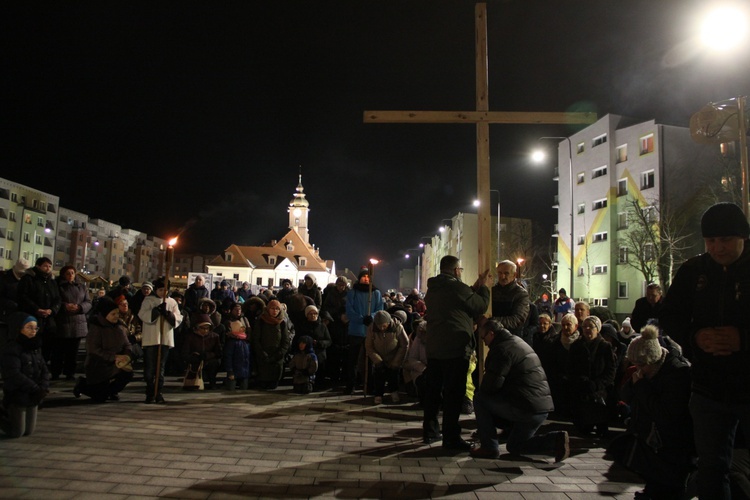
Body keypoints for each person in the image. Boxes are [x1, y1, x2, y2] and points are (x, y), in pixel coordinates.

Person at [660, 202, 750, 499]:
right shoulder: (693, 271)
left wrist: (742, 339)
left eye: (725, 240)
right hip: (708, 388)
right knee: (711, 467)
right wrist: (695, 337)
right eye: (711, 241)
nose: (717, 248)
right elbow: (670, 316)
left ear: (742, 238)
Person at [607, 325, 694, 499]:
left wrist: (640, 386)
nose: (637, 368)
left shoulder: (676, 373)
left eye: (640, 364)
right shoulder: (646, 373)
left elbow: (665, 413)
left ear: (651, 359)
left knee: (669, 488)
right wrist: (635, 384)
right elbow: (625, 396)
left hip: (670, 447)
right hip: (650, 442)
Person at [470, 318, 570, 462]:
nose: (483, 342)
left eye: (483, 337)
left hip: (525, 406)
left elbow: (490, 386)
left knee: (480, 399)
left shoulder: (502, 349)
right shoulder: (517, 341)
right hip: (540, 407)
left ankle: (489, 447)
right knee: (515, 446)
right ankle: (555, 441)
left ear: (491, 334)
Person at [422, 255, 490, 450]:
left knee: (433, 393)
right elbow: (479, 305)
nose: (461, 272)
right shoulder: (456, 287)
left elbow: (463, 297)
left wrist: (474, 286)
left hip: (435, 348)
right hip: (455, 348)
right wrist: (484, 286)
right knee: (453, 395)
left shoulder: (434, 288)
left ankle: (430, 432)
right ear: (455, 270)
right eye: (460, 269)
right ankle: (451, 438)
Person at [73, 297, 133, 402]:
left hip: (115, 363)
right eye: (113, 314)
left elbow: (127, 344)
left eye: (117, 313)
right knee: (99, 397)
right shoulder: (96, 328)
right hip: (98, 365)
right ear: (105, 315)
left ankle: (111, 391)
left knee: (127, 374)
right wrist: (113, 357)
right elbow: (93, 349)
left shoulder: (119, 327)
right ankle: (82, 385)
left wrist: (126, 356)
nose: (116, 317)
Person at [0, 313, 49, 438]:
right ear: (20, 328)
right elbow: (13, 373)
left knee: (28, 431)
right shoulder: (12, 348)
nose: (33, 331)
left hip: (33, 393)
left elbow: (44, 368)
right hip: (18, 393)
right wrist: (35, 388)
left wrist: (43, 386)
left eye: (35, 328)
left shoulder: (36, 346)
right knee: (17, 432)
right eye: (29, 327)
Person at [568, 315, 616, 436]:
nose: (587, 329)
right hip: (581, 391)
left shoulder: (605, 346)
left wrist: (597, 384)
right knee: (583, 430)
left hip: (599, 391)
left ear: (597, 329)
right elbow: (570, 367)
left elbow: (610, 370)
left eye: (591, 326)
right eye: (585, 326)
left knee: (601, 427)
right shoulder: (576, 346)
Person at [138, 278, 183, 404]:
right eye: (161, 290)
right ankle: (150, 391)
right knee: (150, 367)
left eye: (165, 290)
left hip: (165, 338)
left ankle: (159, 392)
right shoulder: (148, 300)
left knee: (161, 367)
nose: (163, 292)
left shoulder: (172, 302)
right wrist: (156, 311)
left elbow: (178, 318)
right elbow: (142, 314)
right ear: (156, 289)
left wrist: (169, 315)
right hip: (151, 338)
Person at [343, 268, 383, 395]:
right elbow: (349, 310)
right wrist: (361, 319)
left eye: (368, 276)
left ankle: (369, 385)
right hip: (356, 330)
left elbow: (380, 310)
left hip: (370, 331)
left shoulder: (376, 293)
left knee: (370, 361)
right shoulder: (353, 292)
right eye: (363, 276)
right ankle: (351, 384)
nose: (366, 278)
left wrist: (371, 317)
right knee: (352, 360)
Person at [17, 257, 61, 363]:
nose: (48, 269)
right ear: (38, 266)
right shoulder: (29, 279)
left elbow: (57, 298)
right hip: (33, 318)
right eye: (45, 266)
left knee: (47, 346)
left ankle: (43, 369)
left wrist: (52, 310)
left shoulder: (52, 281)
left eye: (50, 266)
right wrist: (37, 309)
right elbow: (23, 297)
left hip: (49, 321)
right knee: (32, 346)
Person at [53, 265, 91, 380]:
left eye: (72, 273)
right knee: (59, 350)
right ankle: (56, 372)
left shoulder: (81, 287)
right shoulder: (58, 286)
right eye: (68, 273)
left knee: (73, 351)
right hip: (63, 322)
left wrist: (80, 307)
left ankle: (70, 372)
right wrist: (65, 306)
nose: (70, 275)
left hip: (77, 323)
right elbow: (55, 300)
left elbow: (88, 302)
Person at [365, 310, 409, 405]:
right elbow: (369, 346)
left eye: (384, 326)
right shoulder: (372, 328)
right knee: (378, 375)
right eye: (379, 326)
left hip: (394, 356)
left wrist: (396, 361)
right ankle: (378, 394)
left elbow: (404, 344)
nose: (381, 328)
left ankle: (394, 392)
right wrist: (377, 359)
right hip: (379, 357)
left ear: (389, 323)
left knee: (393, 375)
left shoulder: (398, 327)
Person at [253, 299, 291, 390]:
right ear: (268, 309)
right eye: (272, 308)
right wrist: (262, 353)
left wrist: (279, 354)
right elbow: (256, 339)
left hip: (277, 356)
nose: (275, 311)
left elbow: (285, 341)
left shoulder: (282, 323)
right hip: (263, 355)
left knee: (273, 383)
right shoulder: (261, 321)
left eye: (277, 309)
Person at [490, 260, 530, 343]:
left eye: (506, 273)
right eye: (500, 273)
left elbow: (517, 319)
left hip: (511, 340)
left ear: (514, 275)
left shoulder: (521, 294)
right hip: (492, 338)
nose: (502, 276)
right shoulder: (492, 291)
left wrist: (491, 321)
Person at [181, 312, 222, 390]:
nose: (205, 330)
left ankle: (212, 382)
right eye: (202, 328)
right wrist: (193, 357)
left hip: (208, 360)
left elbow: (218, 352)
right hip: (195, 360)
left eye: (207, 328)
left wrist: (208, 355)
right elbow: (184, 353)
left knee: (214, 363)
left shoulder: (214, 337)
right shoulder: (190, 337)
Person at [293, 305, 332, 384]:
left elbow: (328, 340)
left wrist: (319, 343)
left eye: (315, 313)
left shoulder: (322, 326)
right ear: (306, 315)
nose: (313, 315)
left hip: (319, 354)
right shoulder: (302, 326)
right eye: (310, 314)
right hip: (306, 355)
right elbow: (297, 339)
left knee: (320, 374)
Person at [224, 316, 251, 390]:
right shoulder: (232, 342)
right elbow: (228, 357)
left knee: (244, 389)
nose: (243, 329)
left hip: (244, 372)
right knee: (231, 389)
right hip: (234, 371)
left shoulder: (245, 341)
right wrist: (230, 371)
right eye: (240, 328)